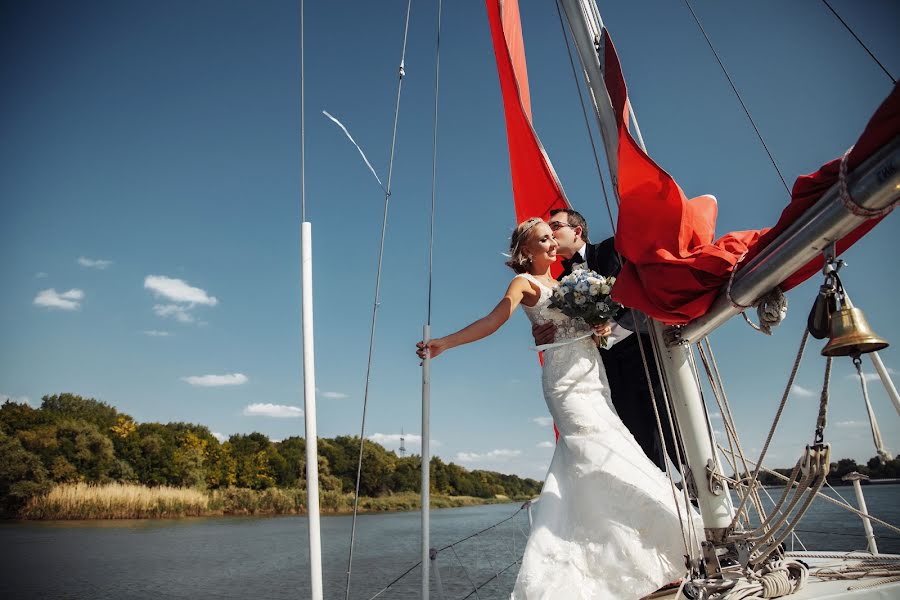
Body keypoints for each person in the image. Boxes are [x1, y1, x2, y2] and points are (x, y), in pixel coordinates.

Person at [417, 218, 694, 599]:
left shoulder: (568, 284)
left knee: (614, 452)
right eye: (543, 239)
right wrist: (446, 343)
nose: (551, 243)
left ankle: (639, 556)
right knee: (595, 454)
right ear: (526, 252)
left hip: (594, 378)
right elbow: (494, 319)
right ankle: (634, 560)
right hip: (564, 383)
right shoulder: (524, 283)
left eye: (552, 236)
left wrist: (597, 329)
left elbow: (594, 328)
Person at [535, 208, 680, 473]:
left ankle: (709, 497)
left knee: (677, 432)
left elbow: (639, 292)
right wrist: (544, 331)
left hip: (648, 355)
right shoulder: (558, 283)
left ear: (577, 231)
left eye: (555, 226)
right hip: (609, 372)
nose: (551, 234)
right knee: (640, 446)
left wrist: (612, 327)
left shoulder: (611, 249)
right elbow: (563, 325)